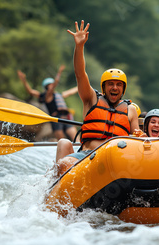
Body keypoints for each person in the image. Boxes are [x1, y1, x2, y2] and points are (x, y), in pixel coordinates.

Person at [55, 20, 139, 175]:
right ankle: (53, 186)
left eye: (118, 85)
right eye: (111, 84)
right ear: (104, 87)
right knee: (63, 147)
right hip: (86, 156)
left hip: (115, 160)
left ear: (123, 89)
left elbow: (137, 139)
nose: (114, 87)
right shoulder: (91, 98)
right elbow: (80, 74)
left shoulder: (131, 110)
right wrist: (79, 46)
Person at [17, 65, 78, 141]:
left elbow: (71, 92)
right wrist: (24, 80)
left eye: (52, 85)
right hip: (56, 119)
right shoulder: (46, 96)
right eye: (50, 86)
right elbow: (30, 91)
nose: (52, 87)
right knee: (62, 140)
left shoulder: (59, 95)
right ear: (46, 88)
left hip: (66, 117)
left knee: (75, 138)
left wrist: (82, 85)